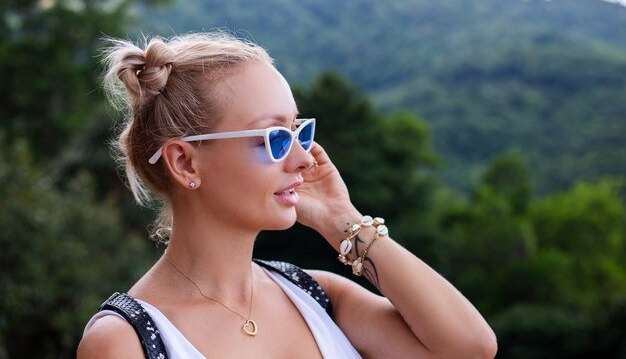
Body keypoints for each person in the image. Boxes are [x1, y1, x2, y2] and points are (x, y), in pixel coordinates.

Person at [77, 32, 497, 359]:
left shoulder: (317, 296)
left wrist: (343, 221)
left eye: (298, 131)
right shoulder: (125, 342)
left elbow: (469, 348)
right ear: (185, 163)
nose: (302, 158)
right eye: (274, 138)